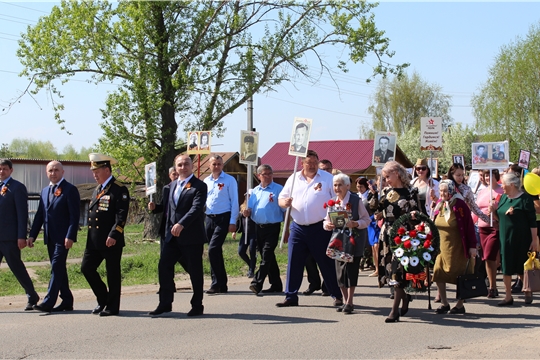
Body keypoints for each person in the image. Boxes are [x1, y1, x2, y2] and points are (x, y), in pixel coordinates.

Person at [277, 150, 342, 308]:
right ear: (302, 164)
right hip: (298, 227)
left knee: (326, 263)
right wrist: (285, 203)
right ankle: (291, 295)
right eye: (309, 163)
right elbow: (281, 198)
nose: (312, 166)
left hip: (320, 227)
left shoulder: (327, 179)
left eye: (314, 163)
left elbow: (338, 199)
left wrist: (336, 221)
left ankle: (337, 295)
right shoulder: (293, 178)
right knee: (294, 262)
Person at [149, 154, 207, 316]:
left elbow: (196, 209)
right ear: (175, 167)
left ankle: (197, 305)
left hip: (191, 236)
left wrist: (182, 224)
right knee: (164, 266)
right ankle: (165, 303)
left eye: (186, 164)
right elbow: (169, 208)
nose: (183, 167)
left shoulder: (199, 186)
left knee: (195, 271)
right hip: (171, 236)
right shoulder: (170, 186)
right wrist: (155, 207)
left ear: (192, 166)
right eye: (180, 165)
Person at [81, 153, 130, 317]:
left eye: (97, 171)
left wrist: (114, 235)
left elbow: (121, 216)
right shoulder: (97, 189)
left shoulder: (119, 189)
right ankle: (103, 298)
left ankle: (112, 306)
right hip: (94, 240)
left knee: (112, 273)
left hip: (111, 240)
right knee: (86, 268)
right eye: (93, 172)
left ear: (107, 170)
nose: (94, 175)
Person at [28, 161, 80, 312]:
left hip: (63, 238)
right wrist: (32, 235)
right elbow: (39, 216)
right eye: (50, 170)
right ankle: (67, 300)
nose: (53, 173)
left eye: (56, 170)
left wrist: (70, 235)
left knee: (56, 266)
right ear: (46, 173)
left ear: (63, 172)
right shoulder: (45, 191)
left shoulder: (70, 190)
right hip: (50, 237)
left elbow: (74, 216)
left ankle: (48, 302)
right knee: (59, 268)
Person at [372, 161, 419, 323]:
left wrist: (413, 215)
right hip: (387, 233)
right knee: (389, 268)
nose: (386, 179)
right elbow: (377, 211)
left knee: (397, 270)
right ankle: (404, 296)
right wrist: (374, 195)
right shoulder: (385, 191)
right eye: (384, 177)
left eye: (388, 176)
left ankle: (394, 310)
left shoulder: (410, 192)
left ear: (397, 173)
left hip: (402, 234)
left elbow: (418, 213)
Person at [323, 173, 370, 314]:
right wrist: (328, 225)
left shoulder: (356, 201)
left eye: (340, 185)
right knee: (339, 272)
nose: (337, 188)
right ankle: (344, 300)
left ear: (347, 186)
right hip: (338, 241)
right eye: (335, 185)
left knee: (351, 271)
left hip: (354, 240)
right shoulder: (332, 202)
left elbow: (366, 220)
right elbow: (325, 220)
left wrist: (355, 223)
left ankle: (350, 301)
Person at [490, 172, 538, 306]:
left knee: (522, 265)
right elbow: (500, 218)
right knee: (506, 266)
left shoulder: (525, 199)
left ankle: (527, 291)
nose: (502, 186)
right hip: (505, 238)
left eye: (503, 184)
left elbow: (532, 222)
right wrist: (494, 211)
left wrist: (534, 240)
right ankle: (508, 296)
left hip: (522, 238)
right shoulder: (504, 198)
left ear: (511, 184)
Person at [431, 180, 477, 315]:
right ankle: (444, 303)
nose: (442, 193)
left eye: (445, 191)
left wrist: (472, 246)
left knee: (462, 274)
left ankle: (460, 304)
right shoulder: (440, 205)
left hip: (458, 247)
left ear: (451, 190)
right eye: (441, 191)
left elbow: (469, 227)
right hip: (442, 247)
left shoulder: (460, 205)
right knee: (438, 273)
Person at [0, 159, 40, 311]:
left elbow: (22, 214)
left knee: (16, 268)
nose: (1, 171)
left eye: (4, 168)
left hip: (10, 238)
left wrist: (21, 236)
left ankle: (32, 295)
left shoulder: (17, 187)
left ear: (11, 170)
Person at [246, 164, 285, 294]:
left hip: (273, 227)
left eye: (270, 173)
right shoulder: (255, 191)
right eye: (265, 174)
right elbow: (249, 207)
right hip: (258, 227)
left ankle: (257, 282)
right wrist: (246, 211)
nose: (268, 176)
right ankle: (276, 284)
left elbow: (285, 210)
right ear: (259, 176)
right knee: (267, 256)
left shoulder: (278, 189)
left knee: (267, 254)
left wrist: (287, 230)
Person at [204, 154, 239, 294]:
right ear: (209, 165)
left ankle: (217, 283)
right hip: (209, 218)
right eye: (214, 164)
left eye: (219, 164)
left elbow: (235, 201)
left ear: (222, 165)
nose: (216, 166)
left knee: (213, 249)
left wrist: (232, 221)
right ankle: (220, 284)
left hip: (223, 218)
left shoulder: (229, 180)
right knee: (214, 251)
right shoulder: (206, 181)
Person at [302, 159, 333, 296]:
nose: (325, 171)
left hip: (326, 225)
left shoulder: (333, 181)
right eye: (323, 169)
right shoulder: (309, 181)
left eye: (328, 169)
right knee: (308, 257)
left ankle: (327, 285)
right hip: (308, 225)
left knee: (325, 258)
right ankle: (314, 282)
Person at [473, 169, 503, 298]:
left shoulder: (502, 191)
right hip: (482, 228)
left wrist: (495, 210)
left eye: (490, 175)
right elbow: (476, 210)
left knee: (491, 256)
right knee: (486, 257)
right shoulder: (482, 192)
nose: (487, 178)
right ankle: (492, 286)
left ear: (496, 176)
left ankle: (492, 287)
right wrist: (470, 222)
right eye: (485, 175)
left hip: (495, 227)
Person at [149, 166, 179, 250]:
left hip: (178, 222)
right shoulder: (166, 188)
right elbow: (163, 206)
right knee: (165, 250)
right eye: (174, 174)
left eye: (178, 174)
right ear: (169, 175)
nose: (176, 176)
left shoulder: (184, 188)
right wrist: (154, 207)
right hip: (166, 223)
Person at [356, 177, 379, 276]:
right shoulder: (356, 196)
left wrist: (374, 194)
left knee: (373, 245)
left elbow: (373, 206)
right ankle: (367, 263)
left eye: (361, 187)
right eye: (357, 187)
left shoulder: (370, 195)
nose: (359, 189)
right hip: (360, 222)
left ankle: (374, 266)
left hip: (372, 221)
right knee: (367, 245)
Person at [234, 200, 257, 278]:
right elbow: (239, 220)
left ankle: (251, 271)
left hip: (254, 234)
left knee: (252, 251)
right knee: (241, 251)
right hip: (245, 234)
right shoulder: (242, 208)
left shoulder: (255, 207)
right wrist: (235, 231)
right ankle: (251, 264)